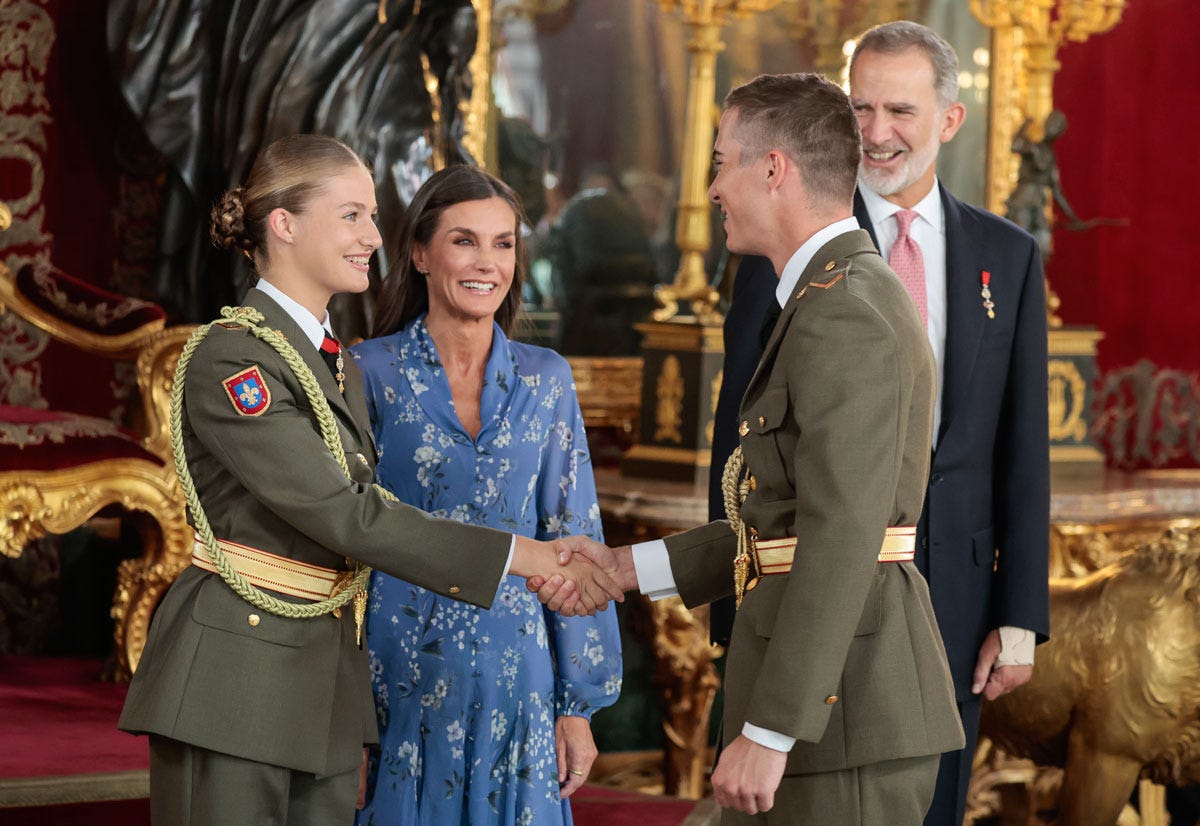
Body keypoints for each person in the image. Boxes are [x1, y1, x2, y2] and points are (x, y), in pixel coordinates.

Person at [117, 134, 621, 826]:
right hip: (239, 683)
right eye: (352, 216)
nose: (372, 237)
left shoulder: (328, 365)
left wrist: (577, 694)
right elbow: (346, 516)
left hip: (329, 683)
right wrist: (527, 556)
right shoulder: (236, 358)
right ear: (285, 225)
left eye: (373, 217)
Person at [544, 72, 965, 824]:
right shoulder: (826, 298)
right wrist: (621, 568)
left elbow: (842, 534)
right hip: (825, 705)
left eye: (720, 162)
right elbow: (777, 528)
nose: (710, 189)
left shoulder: (845, 311)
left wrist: (772, 730)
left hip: (841, 715)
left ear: (774, 168)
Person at [711, 22, 1052, 825]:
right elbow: (742, 439)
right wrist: (733, 601)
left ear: (949, 120)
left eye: (899, 109)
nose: (875, 132)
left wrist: (1020, 612)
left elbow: (1021, 443)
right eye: (859, 107)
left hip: (960, 597)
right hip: (804, 594)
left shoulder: (1008, 254)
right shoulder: (781, 246)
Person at [350, 165, 622, 825]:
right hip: (398, 673)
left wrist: (574, 707)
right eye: (465, 241)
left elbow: (574, 536)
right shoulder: (367, 370)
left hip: (519, 676)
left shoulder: (547, 379)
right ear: (419, 253)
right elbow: (346, 531)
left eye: (503, 244)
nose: (487, 262)